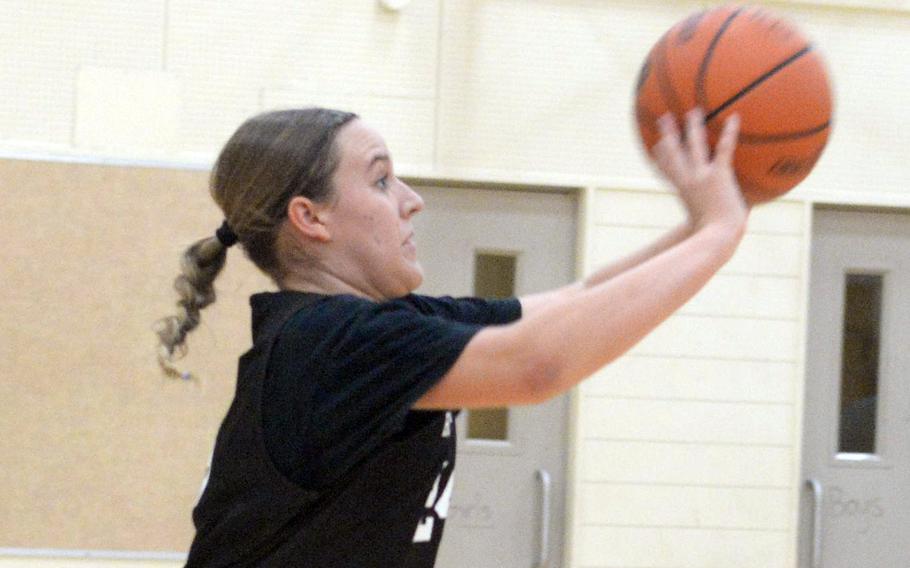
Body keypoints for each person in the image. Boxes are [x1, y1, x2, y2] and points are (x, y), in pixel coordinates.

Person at [154, 106, 748, 567]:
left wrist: (698, 228)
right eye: (382, 180)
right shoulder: (331, 344)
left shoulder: (379, 326)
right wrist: (720, 234)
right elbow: (538, 365)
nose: (413, 201)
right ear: (311, 218)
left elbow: (574, 302)